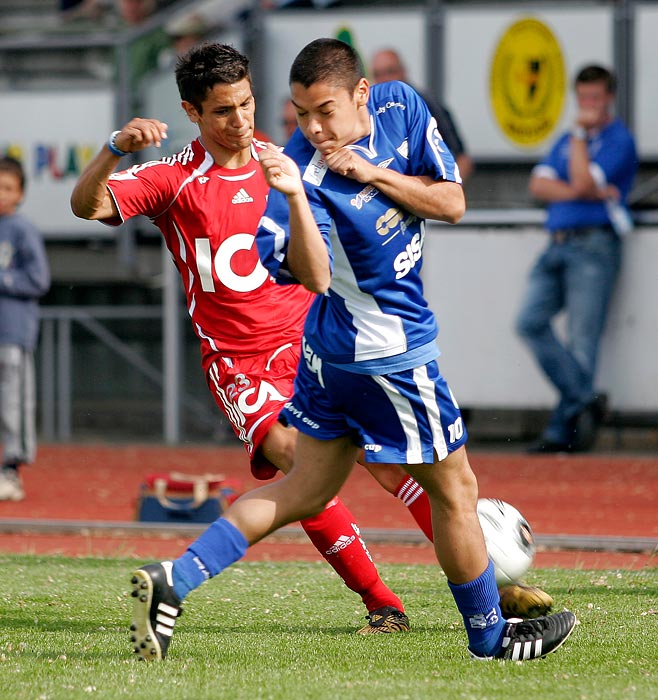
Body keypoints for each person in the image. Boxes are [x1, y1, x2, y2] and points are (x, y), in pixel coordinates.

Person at [119, 38, 575, 663]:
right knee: (453, 487)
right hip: (386, 353)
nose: (312, 128)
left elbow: (453, 202)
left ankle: (175, 579)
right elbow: (312, 274)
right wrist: (302, 199)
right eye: (300, 113)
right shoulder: (299, 171)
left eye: (324, 111)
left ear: (362, 94)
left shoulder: (401, 109)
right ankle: (488, 636)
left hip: (321, 354)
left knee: (303, 490)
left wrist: (376, 173)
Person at [71, 42, 418, 648]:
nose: (241, 121)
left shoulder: (285, 163)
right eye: (224, 111)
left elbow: (319, 263)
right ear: (191, 112)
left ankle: (490, 584)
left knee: (397, 463)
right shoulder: (173, 178)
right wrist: (114, 148)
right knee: (297, 461)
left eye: (248, 103)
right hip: (242, 365)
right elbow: (88, 204)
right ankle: (380, 598)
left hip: (313, 344)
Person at [517, 65, 638, 453]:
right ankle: (585, 398)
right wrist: (580, 187)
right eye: (582, 98)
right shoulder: (569, 139)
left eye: (594, 98)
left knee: (582, 339)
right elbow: (537, 185)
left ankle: (567, 432)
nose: (586, 106)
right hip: (557, 241)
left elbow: (582, 181)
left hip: (593, 245)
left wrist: (579, 152)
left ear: (609, 99)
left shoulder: (619, 139)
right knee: (529, 321)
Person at [0, 157, 51, 501]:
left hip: (11, 335)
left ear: (20, 194)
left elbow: (39, 279)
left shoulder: (22, 230)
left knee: (11, 405)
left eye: (8, 188)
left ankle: (11, 470)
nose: (1, 194)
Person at [369, 47, 474, 182]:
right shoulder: (369, 111)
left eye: (390, 72)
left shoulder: (424, 104)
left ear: (403, 71)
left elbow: (462, 159)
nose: (385, 79)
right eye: (378, 74)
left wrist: (445, 194)